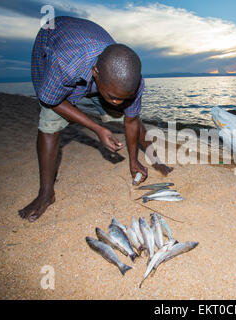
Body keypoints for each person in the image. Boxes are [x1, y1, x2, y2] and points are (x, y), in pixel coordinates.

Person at [19, 16, 173, 222]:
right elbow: (50, 100)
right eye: (112, 96)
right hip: (51, 41)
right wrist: (97, 128)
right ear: (95, 73)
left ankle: (155, 159)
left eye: (124, 97)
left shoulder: (133, 82)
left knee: (130, 113)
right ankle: (46, 193)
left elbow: (131, 120)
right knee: (50, 122)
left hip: (93, 56)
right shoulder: (65, 62)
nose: (117, 102)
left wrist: (133, 159)